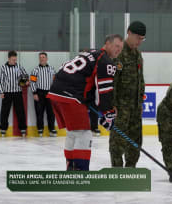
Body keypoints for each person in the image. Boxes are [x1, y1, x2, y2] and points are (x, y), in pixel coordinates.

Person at [48, 34, 123, 171]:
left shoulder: (91, 53)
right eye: (116, 46)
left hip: (56, 91)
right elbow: (104, 90)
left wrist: (89, 102)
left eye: (121, 48)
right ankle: (81, 171)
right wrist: (108, 114)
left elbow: (79, 76)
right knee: (83, 133)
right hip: (71, 95)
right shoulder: (106, 61)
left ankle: (71, 167)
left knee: (73, 132)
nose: (118, 50)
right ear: (107, 43)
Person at [111, 21, 146, 168]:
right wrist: (112, 105)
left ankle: (131, 167)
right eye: (137, 38)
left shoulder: (138, 55)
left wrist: (140, 102)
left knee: (135, 140)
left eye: (142, 39)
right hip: (121, 108)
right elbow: (112, 83)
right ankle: (117, 170)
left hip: (135, 107)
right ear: (129, 33)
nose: (139, 42)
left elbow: (140, 80)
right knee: (118, 140)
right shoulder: (119, 53)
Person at [0, 51, 29, 137]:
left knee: (20, 111)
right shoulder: (3, 68)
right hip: (7, 93)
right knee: (5, 111)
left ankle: (23, 129)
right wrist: (1, 91)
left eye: (15, 59)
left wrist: (24, 82)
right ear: (8, 59)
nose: (14, 61)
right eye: (13, 60)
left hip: (17, 92)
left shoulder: (19, 66)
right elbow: (0, 80)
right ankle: (3, 129)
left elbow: (25, 75)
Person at [30, 52, 56, 137]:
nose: (42, 59)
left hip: (49, 93)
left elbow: (55, 82)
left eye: (43, 57)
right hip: (39, 93)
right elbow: (32, 82)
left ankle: (51, 129)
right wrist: (34, 93)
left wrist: (54, 93)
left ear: (46, 58)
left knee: (51, 113)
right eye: (40, 57)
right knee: (39, 112)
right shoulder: (35, 70)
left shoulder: (52, 69)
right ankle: (40, 129)